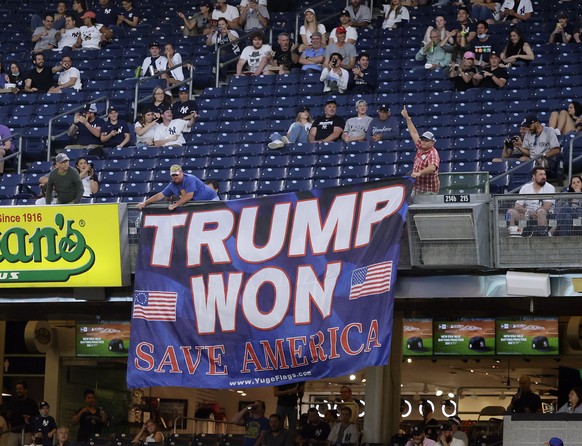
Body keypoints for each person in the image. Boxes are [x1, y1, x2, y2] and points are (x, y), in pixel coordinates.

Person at [137, 164, 218, 210]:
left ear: (181, 172)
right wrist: (145, 202)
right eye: (173, 175)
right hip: (200, 204)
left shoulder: (190, 179)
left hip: (212, 200)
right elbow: (160, 195)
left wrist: (175, 205)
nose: (175, 177)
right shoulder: (172, 185)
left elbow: (189, 196)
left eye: (176, 174)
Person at [401, 106, 440, 195]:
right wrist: (407, 118)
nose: (423, 142)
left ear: (432, 142)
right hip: (418, 188)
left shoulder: (432, 153)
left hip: (429, 190)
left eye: (427, 140)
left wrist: (420, 173)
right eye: (422, 139)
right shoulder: (420, 147)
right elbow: (413, 132)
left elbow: (432, 167)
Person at [505, 167, 556, 236]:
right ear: (534, 176)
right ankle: (515, 234)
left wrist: (535, 213)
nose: (543, 177)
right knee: (510, 212)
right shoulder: (525, 188)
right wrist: (528, 211)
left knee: (541, 211)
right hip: (527, 215)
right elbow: (517, 206)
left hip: (545, 215)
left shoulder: (550, 187)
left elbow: (547, 206)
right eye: (540, 174)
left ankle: (542, 234)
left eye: (544, 174)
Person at [5, 381, 39, 446]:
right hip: (14, 431)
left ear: (25, 390)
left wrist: (29, 419)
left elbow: (36, 417)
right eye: (17, 389)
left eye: (20, 389)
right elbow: (8, 416)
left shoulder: (32, 403)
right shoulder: (12, 402)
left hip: (27, 432)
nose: (18, 391)